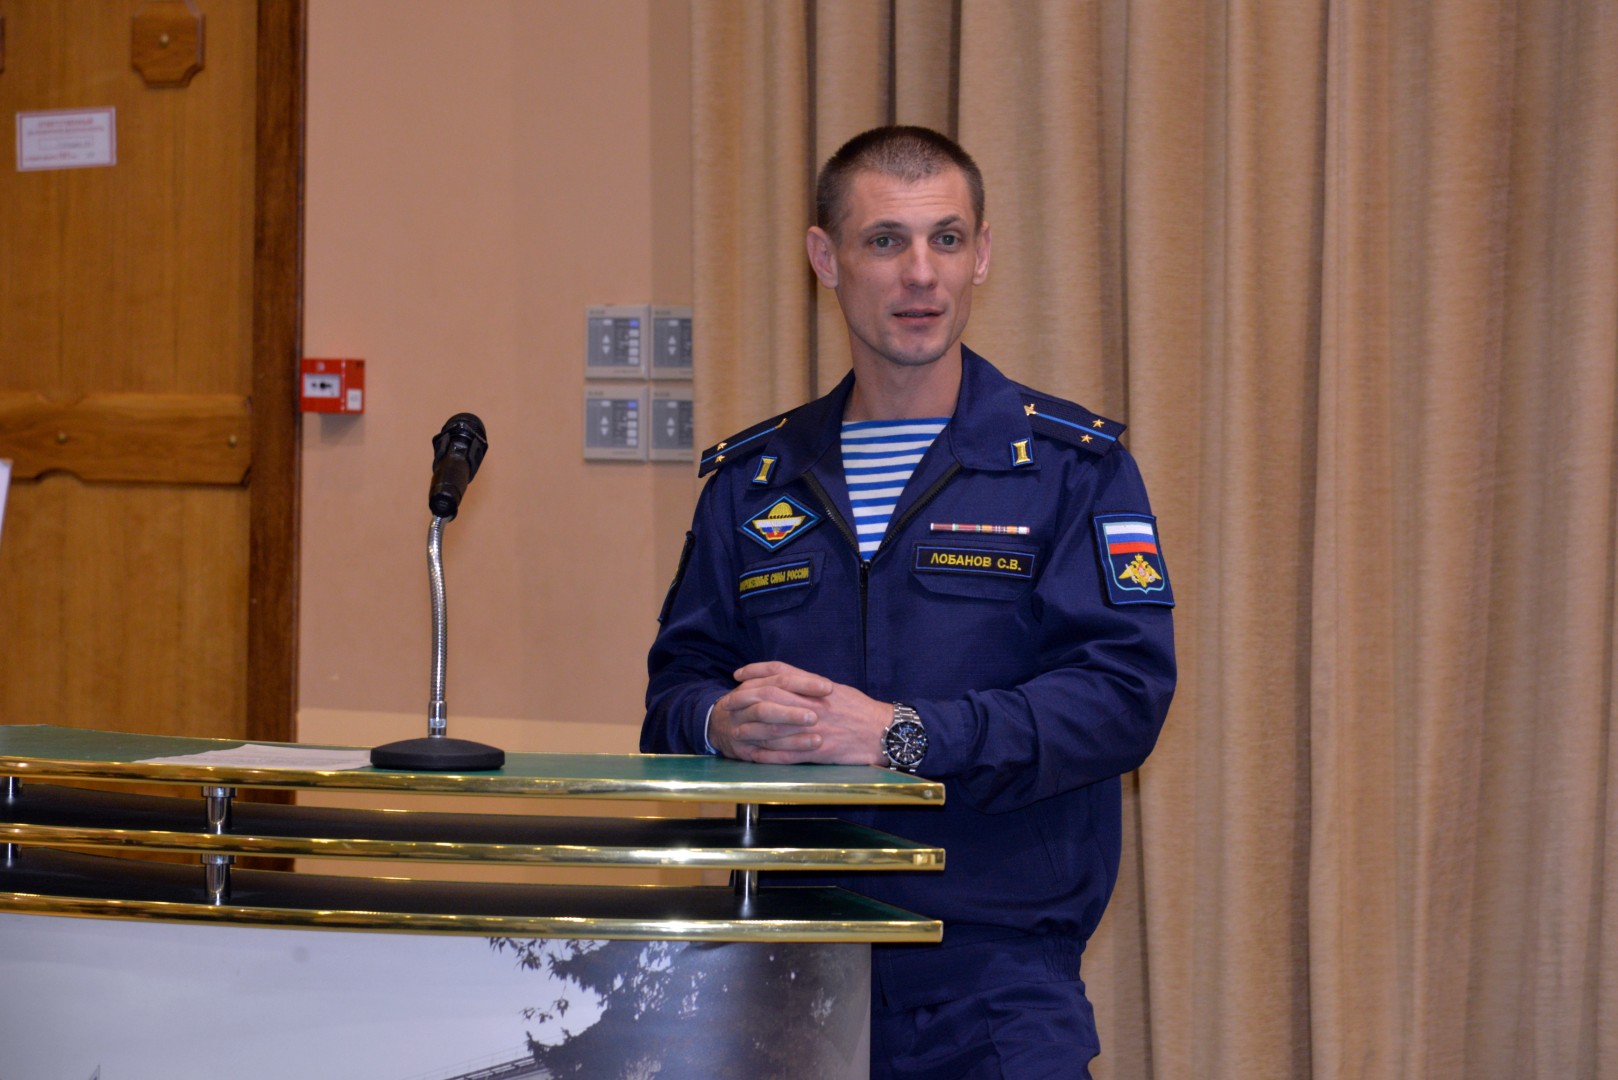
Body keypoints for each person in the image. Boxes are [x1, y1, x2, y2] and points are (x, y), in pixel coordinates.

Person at [642, 125, 1175, 1079]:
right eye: (885, 241)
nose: (921, 274)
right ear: (826, 259)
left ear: (982, 255)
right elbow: (673, 696)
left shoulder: (1071, 468)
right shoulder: (753, 480)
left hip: (995, 976)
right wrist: (720, 721)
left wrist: (905, 736)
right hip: (786, 968)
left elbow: (1121, 698)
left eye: (947, 239)